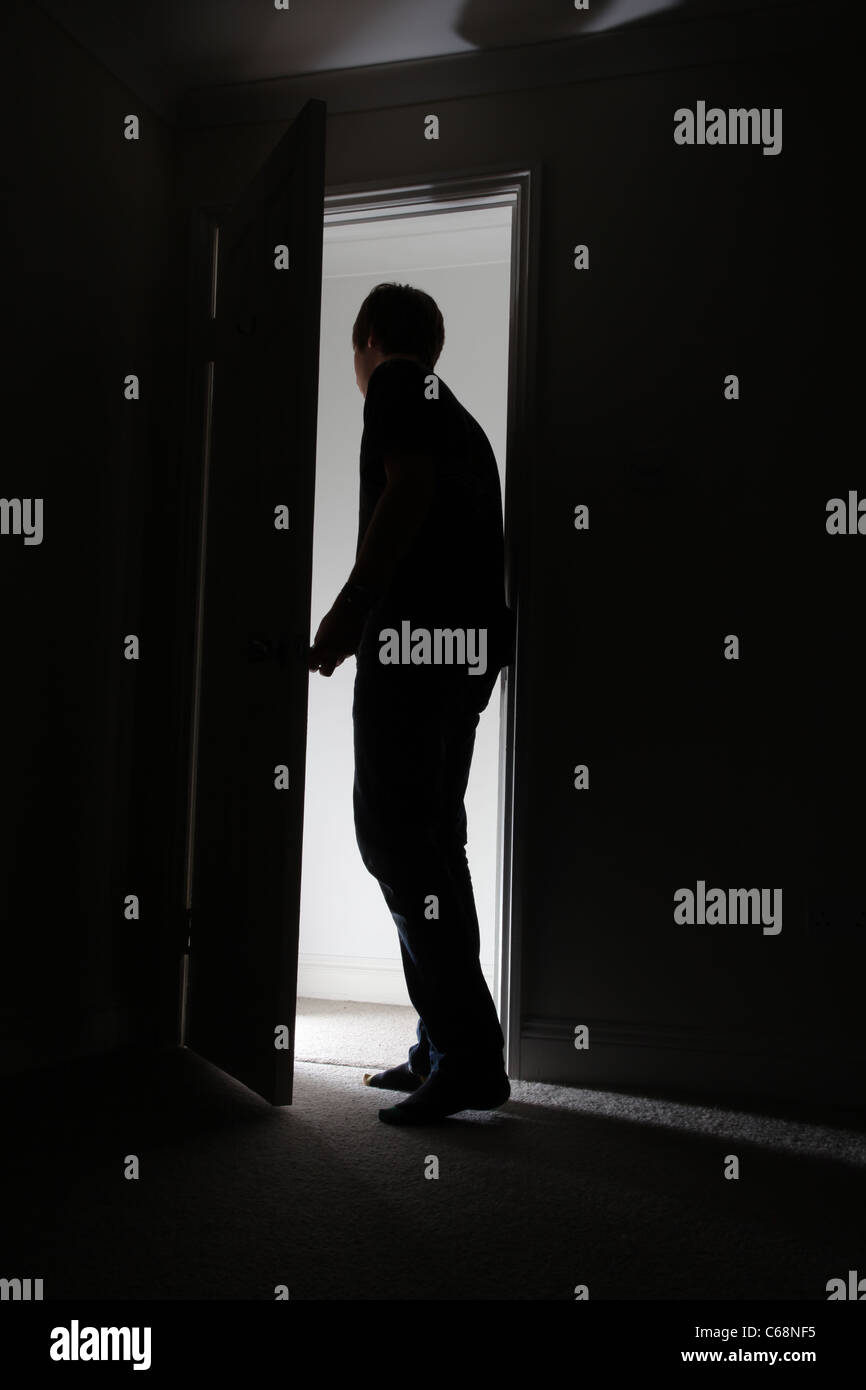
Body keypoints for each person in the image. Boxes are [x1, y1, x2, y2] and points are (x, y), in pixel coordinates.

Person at [308, 282, 515, 1125]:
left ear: (369, 340)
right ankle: (447, 1046)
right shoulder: (462, 418)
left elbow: (408, 490)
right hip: (464, 653)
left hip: (413, 647)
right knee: (432, 841)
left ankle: (464, 1053)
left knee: (396, 839)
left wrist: (351, 611)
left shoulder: (394, 383)